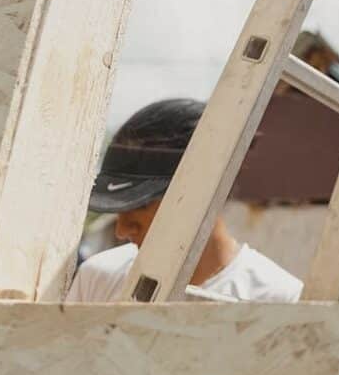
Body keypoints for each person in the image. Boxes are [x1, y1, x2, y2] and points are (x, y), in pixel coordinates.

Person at [67, 99, 303, 302]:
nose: (121, 230)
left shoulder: (277, 299)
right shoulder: (98, 278)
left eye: (140, 204)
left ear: (206, 192)